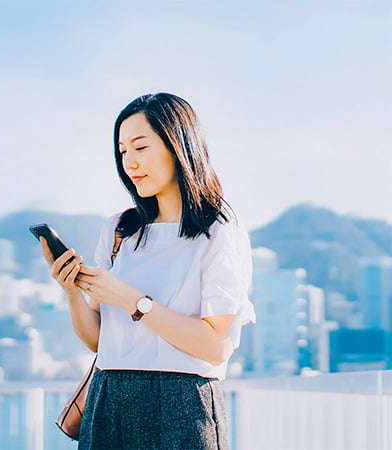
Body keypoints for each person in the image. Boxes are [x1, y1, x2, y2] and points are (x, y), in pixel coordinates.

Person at [39, 92, 255, 449]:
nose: (130, 163)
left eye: (140, 148)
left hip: (183, 405)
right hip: (108, 399)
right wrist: (72, 291)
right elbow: (98, 340)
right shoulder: (120, 229)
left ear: (177, 146)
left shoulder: (218, 229)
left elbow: (215, 346)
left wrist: (132, 300)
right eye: (122, 151)